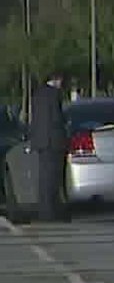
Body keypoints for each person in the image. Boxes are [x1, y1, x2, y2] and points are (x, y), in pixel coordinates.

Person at [28, 71, 70, 223]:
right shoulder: (55, 95)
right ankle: (52, 212)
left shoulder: (38, 94)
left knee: (44, 178)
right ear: (57, 79)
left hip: (41, 141)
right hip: (54, 141)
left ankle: (45, 211)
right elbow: (57, 118)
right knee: (53, 179)